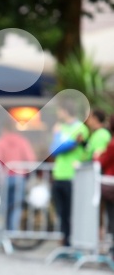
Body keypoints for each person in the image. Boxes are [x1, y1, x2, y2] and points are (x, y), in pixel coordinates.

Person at [50, 99, 89, 247]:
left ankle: (75, 243)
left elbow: (60, 147)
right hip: (59, 174)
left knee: (73, 213)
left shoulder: (80, 127)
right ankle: (65, 244)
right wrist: (69, 143)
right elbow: (54, 149)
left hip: (73, 176)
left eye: (60, 110)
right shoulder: (60, 127)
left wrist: (64, 142)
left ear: (65, 111)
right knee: (62, 214)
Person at [0, 119, 36, 230]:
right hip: (19, 177)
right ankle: (13, 233)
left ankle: (4, 232)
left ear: (3, 129)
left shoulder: (0, 142)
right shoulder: (22, 141)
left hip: (5, 178)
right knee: (16, 206)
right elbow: (31, 159)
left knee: (4, 206)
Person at [97, 115, 114, 258]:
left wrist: (97, 156)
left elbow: (103, 161)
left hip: (110, 185)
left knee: (111, 217)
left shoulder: (112, 143)